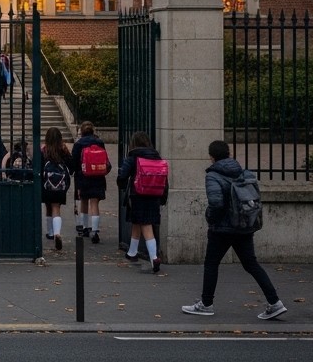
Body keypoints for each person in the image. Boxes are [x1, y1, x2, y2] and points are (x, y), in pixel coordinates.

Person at [181, 140, 287, 320]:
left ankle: (206, 304)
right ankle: (275, 302)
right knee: (251, 264)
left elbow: (216, 203)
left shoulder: (213, 175)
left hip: (222, 229)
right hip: (244, 226)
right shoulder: (243, 172)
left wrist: (210, 218)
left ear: (212, 157)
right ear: (228, 153)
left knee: (211, 264)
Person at [118, 131, 166, 272]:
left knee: (145, 224)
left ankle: (153, 258)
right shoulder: (156, 156)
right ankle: (132, 252)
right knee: (138, 221)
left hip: (138, 194)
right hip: (154, 194)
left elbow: (123, 175)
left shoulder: (133, 156)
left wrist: (121, 184)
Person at [70, 121, 110, 243]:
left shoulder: (78, 144)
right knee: (94, 203)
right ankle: (95, 230)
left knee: (83, 201)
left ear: (81, 131)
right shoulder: (99, 142)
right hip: (97, 176)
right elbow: (106, 161)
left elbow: (74, 162)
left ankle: (84, 228)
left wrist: (73, 172)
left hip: (83, 177)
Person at [41, 127, 71, 251]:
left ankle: (50, 232)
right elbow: (72, 165)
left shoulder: (44, 150)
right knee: (56, 207)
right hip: (60, 185)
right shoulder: (62, 150)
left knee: (48, 206)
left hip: (46, 184)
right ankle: (57, 233)